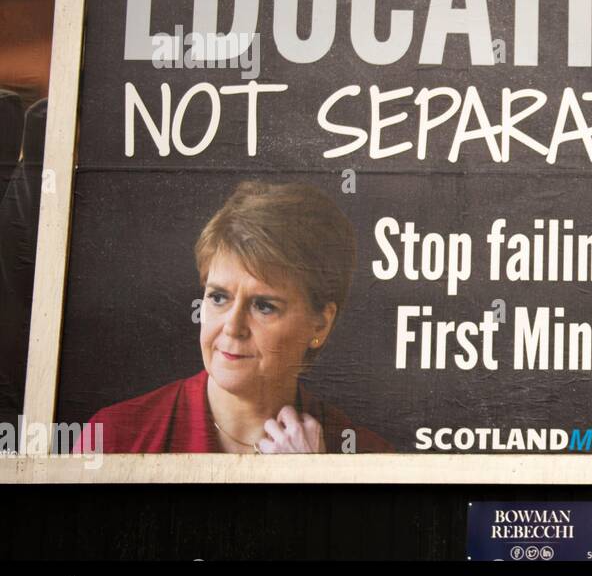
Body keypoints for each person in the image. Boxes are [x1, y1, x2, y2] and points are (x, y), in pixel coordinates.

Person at [77, 180, 392, 453]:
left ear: (320, 324)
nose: (232, 326)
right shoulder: (112, 438)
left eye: (264, 305)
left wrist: (311, 487)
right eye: (218, 297)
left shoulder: (368, 456)